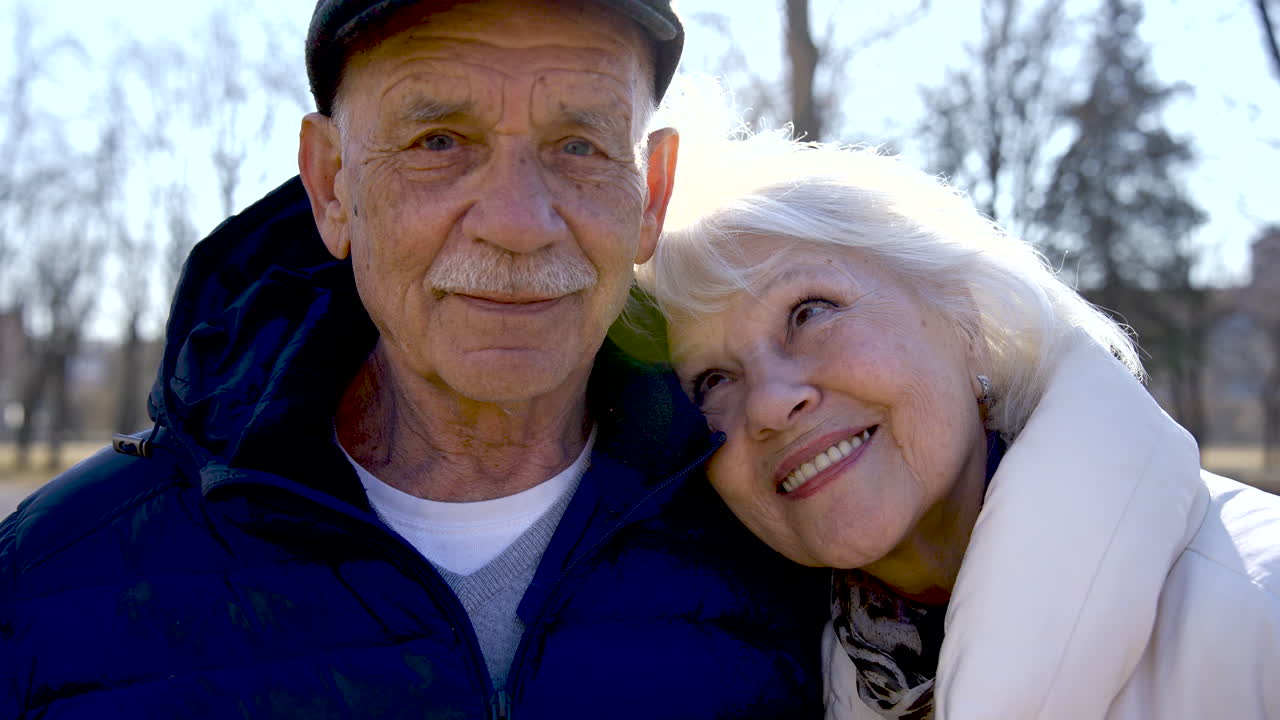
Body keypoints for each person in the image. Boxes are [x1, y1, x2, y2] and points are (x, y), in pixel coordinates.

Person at [0, 2, 827, 717]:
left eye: (579, 144)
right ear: (332, 187)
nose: (518, 221)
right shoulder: (43, 587)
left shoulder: (807, 555)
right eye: (439, 140)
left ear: (651, 192)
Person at [636, 126, 1280, 719]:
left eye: (809, 312)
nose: (771, 403)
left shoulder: (1260, 612)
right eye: (712, 382)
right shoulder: (789, 682)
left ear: (967, 321)